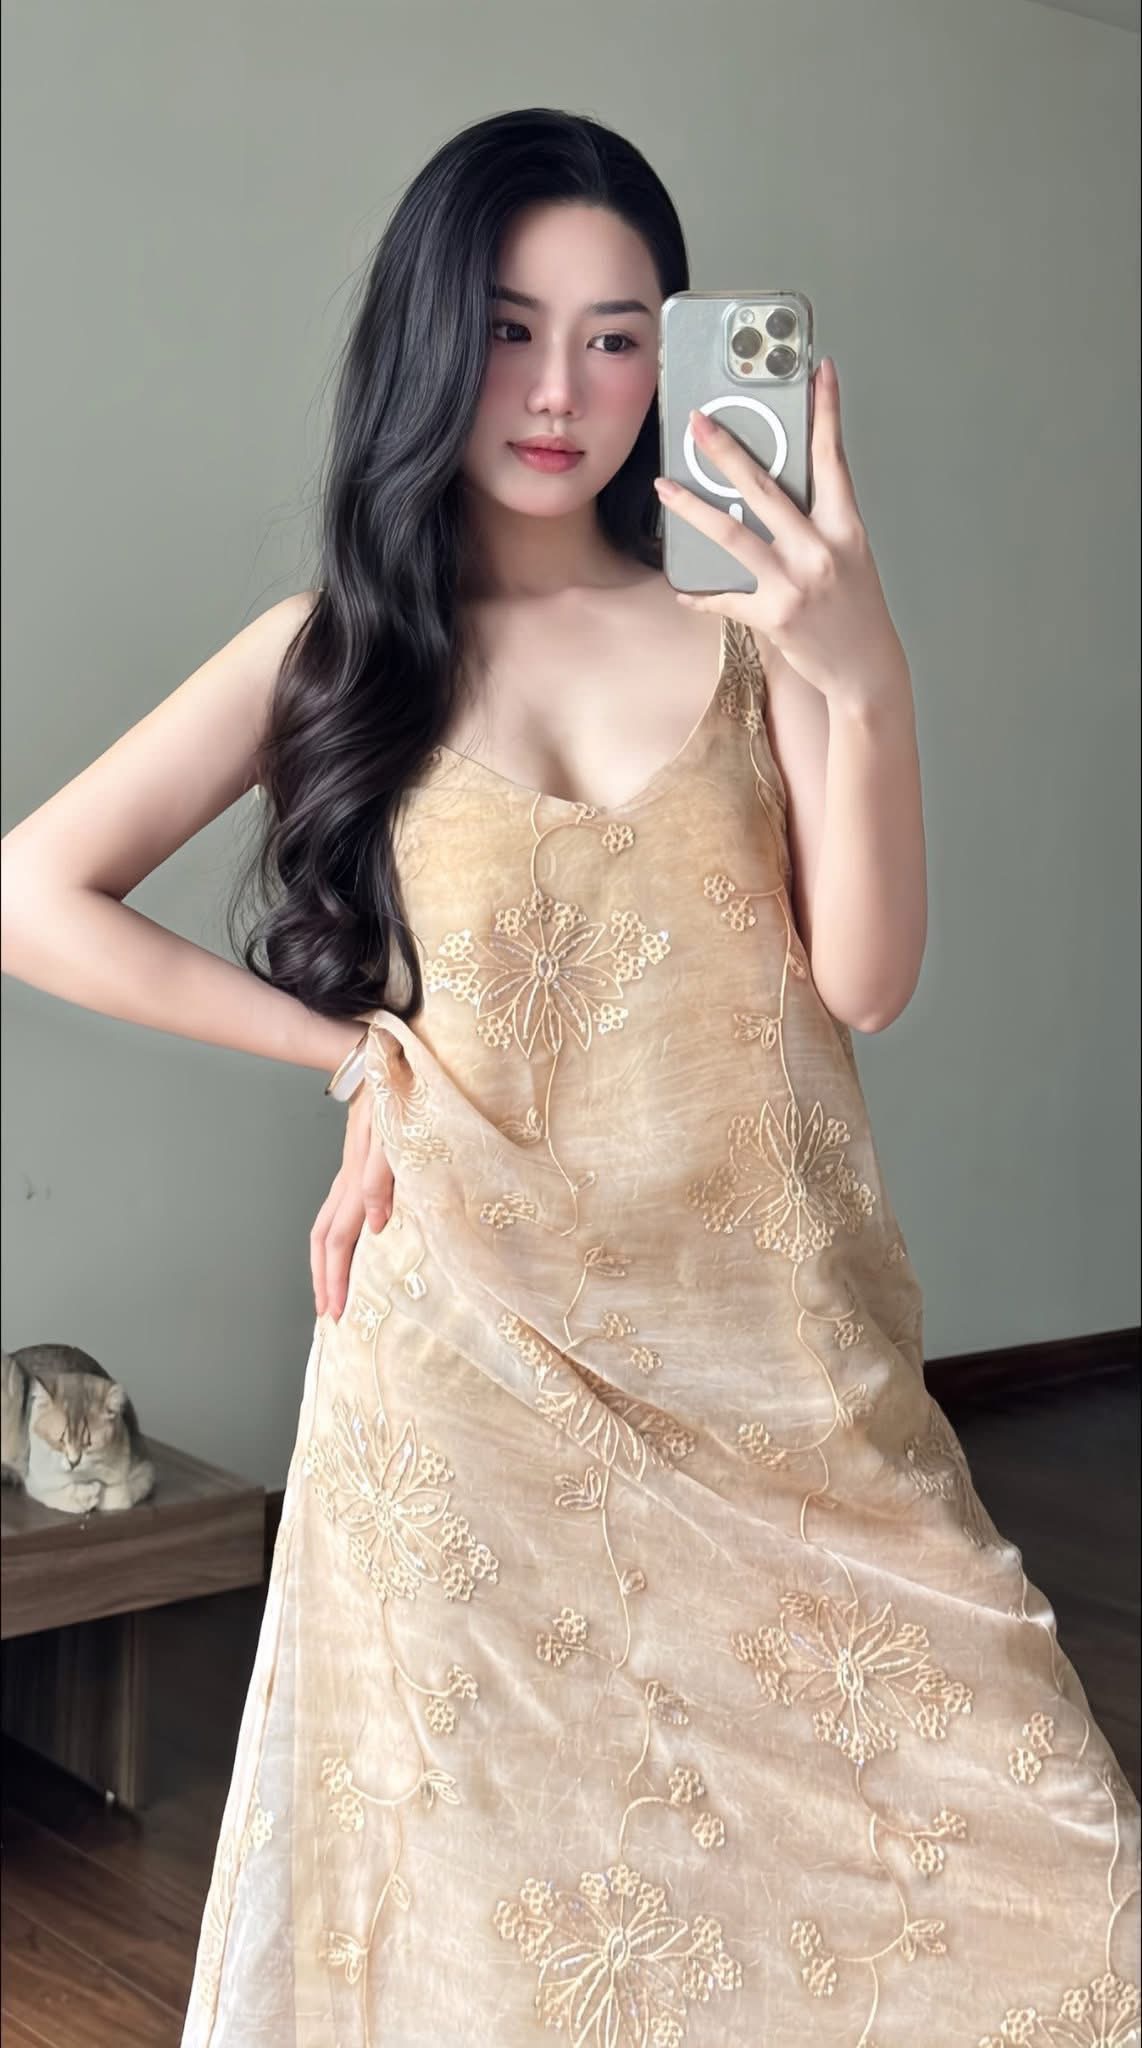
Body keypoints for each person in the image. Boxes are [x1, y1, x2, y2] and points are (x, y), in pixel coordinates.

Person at [2, 105, 1138, 2048]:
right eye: (510, 329)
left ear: (675, 357)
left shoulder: (757, 633)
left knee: (1063, 1891)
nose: (558, 392)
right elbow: (33, 892)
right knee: (507, 1945)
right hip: (463, 1379)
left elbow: (866, 980)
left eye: (616, 337)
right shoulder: (337, 649)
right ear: (430, 338)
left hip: (781, 1368)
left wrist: (860, 667)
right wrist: (352, 1058)